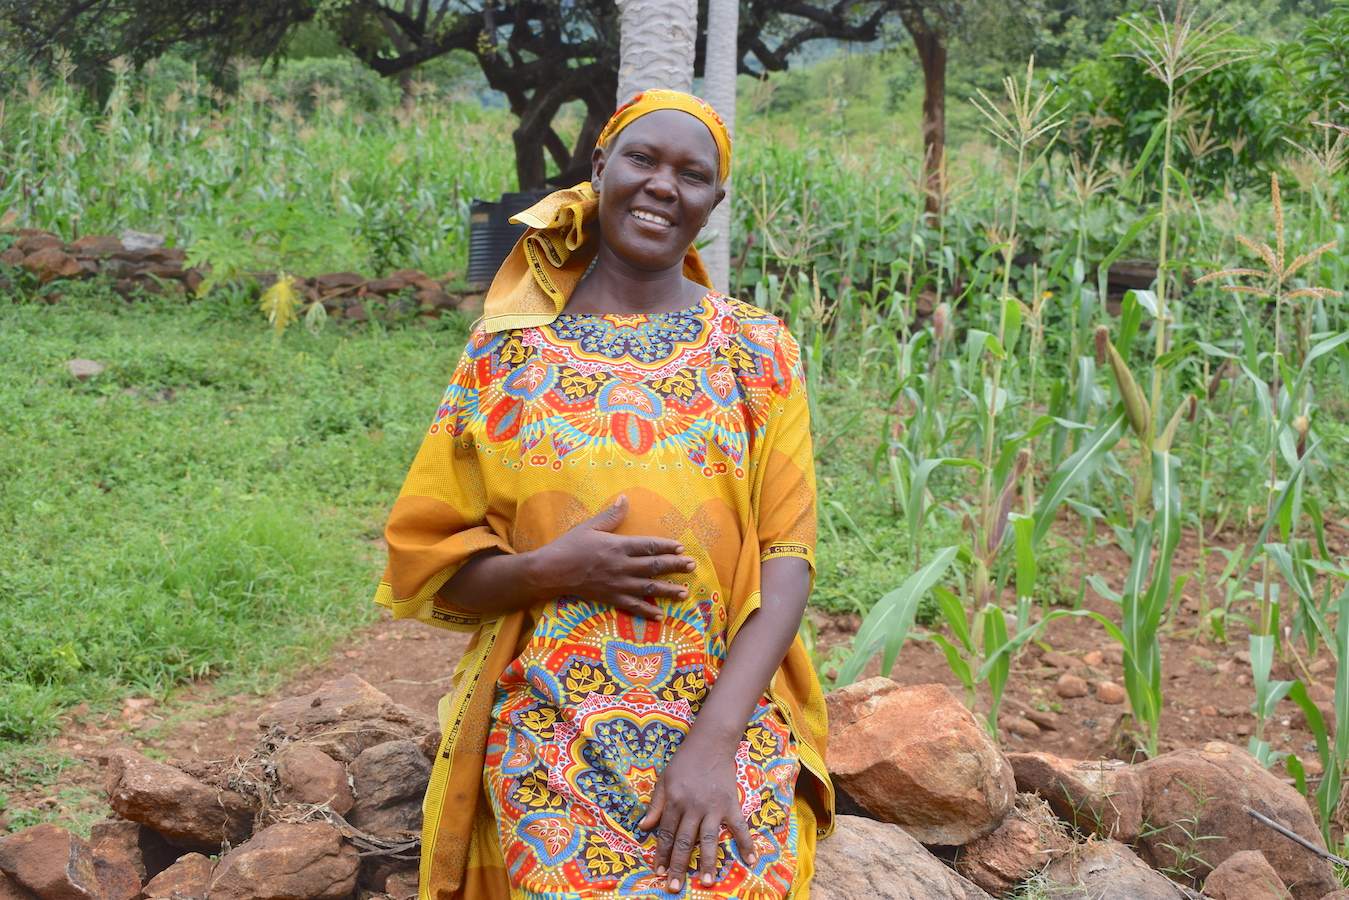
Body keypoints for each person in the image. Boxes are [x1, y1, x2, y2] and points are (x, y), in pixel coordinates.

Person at [374, 89, 832, 900]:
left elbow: (786, 561)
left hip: (726, 714)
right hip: (551, 723)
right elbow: (434, 560)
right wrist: (553, 570)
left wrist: (712, 746)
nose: (664, 185)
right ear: (600, 169)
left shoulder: (757, 350)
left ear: (712, 203)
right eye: (643, 159)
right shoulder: (507, 354)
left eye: (692, 174)